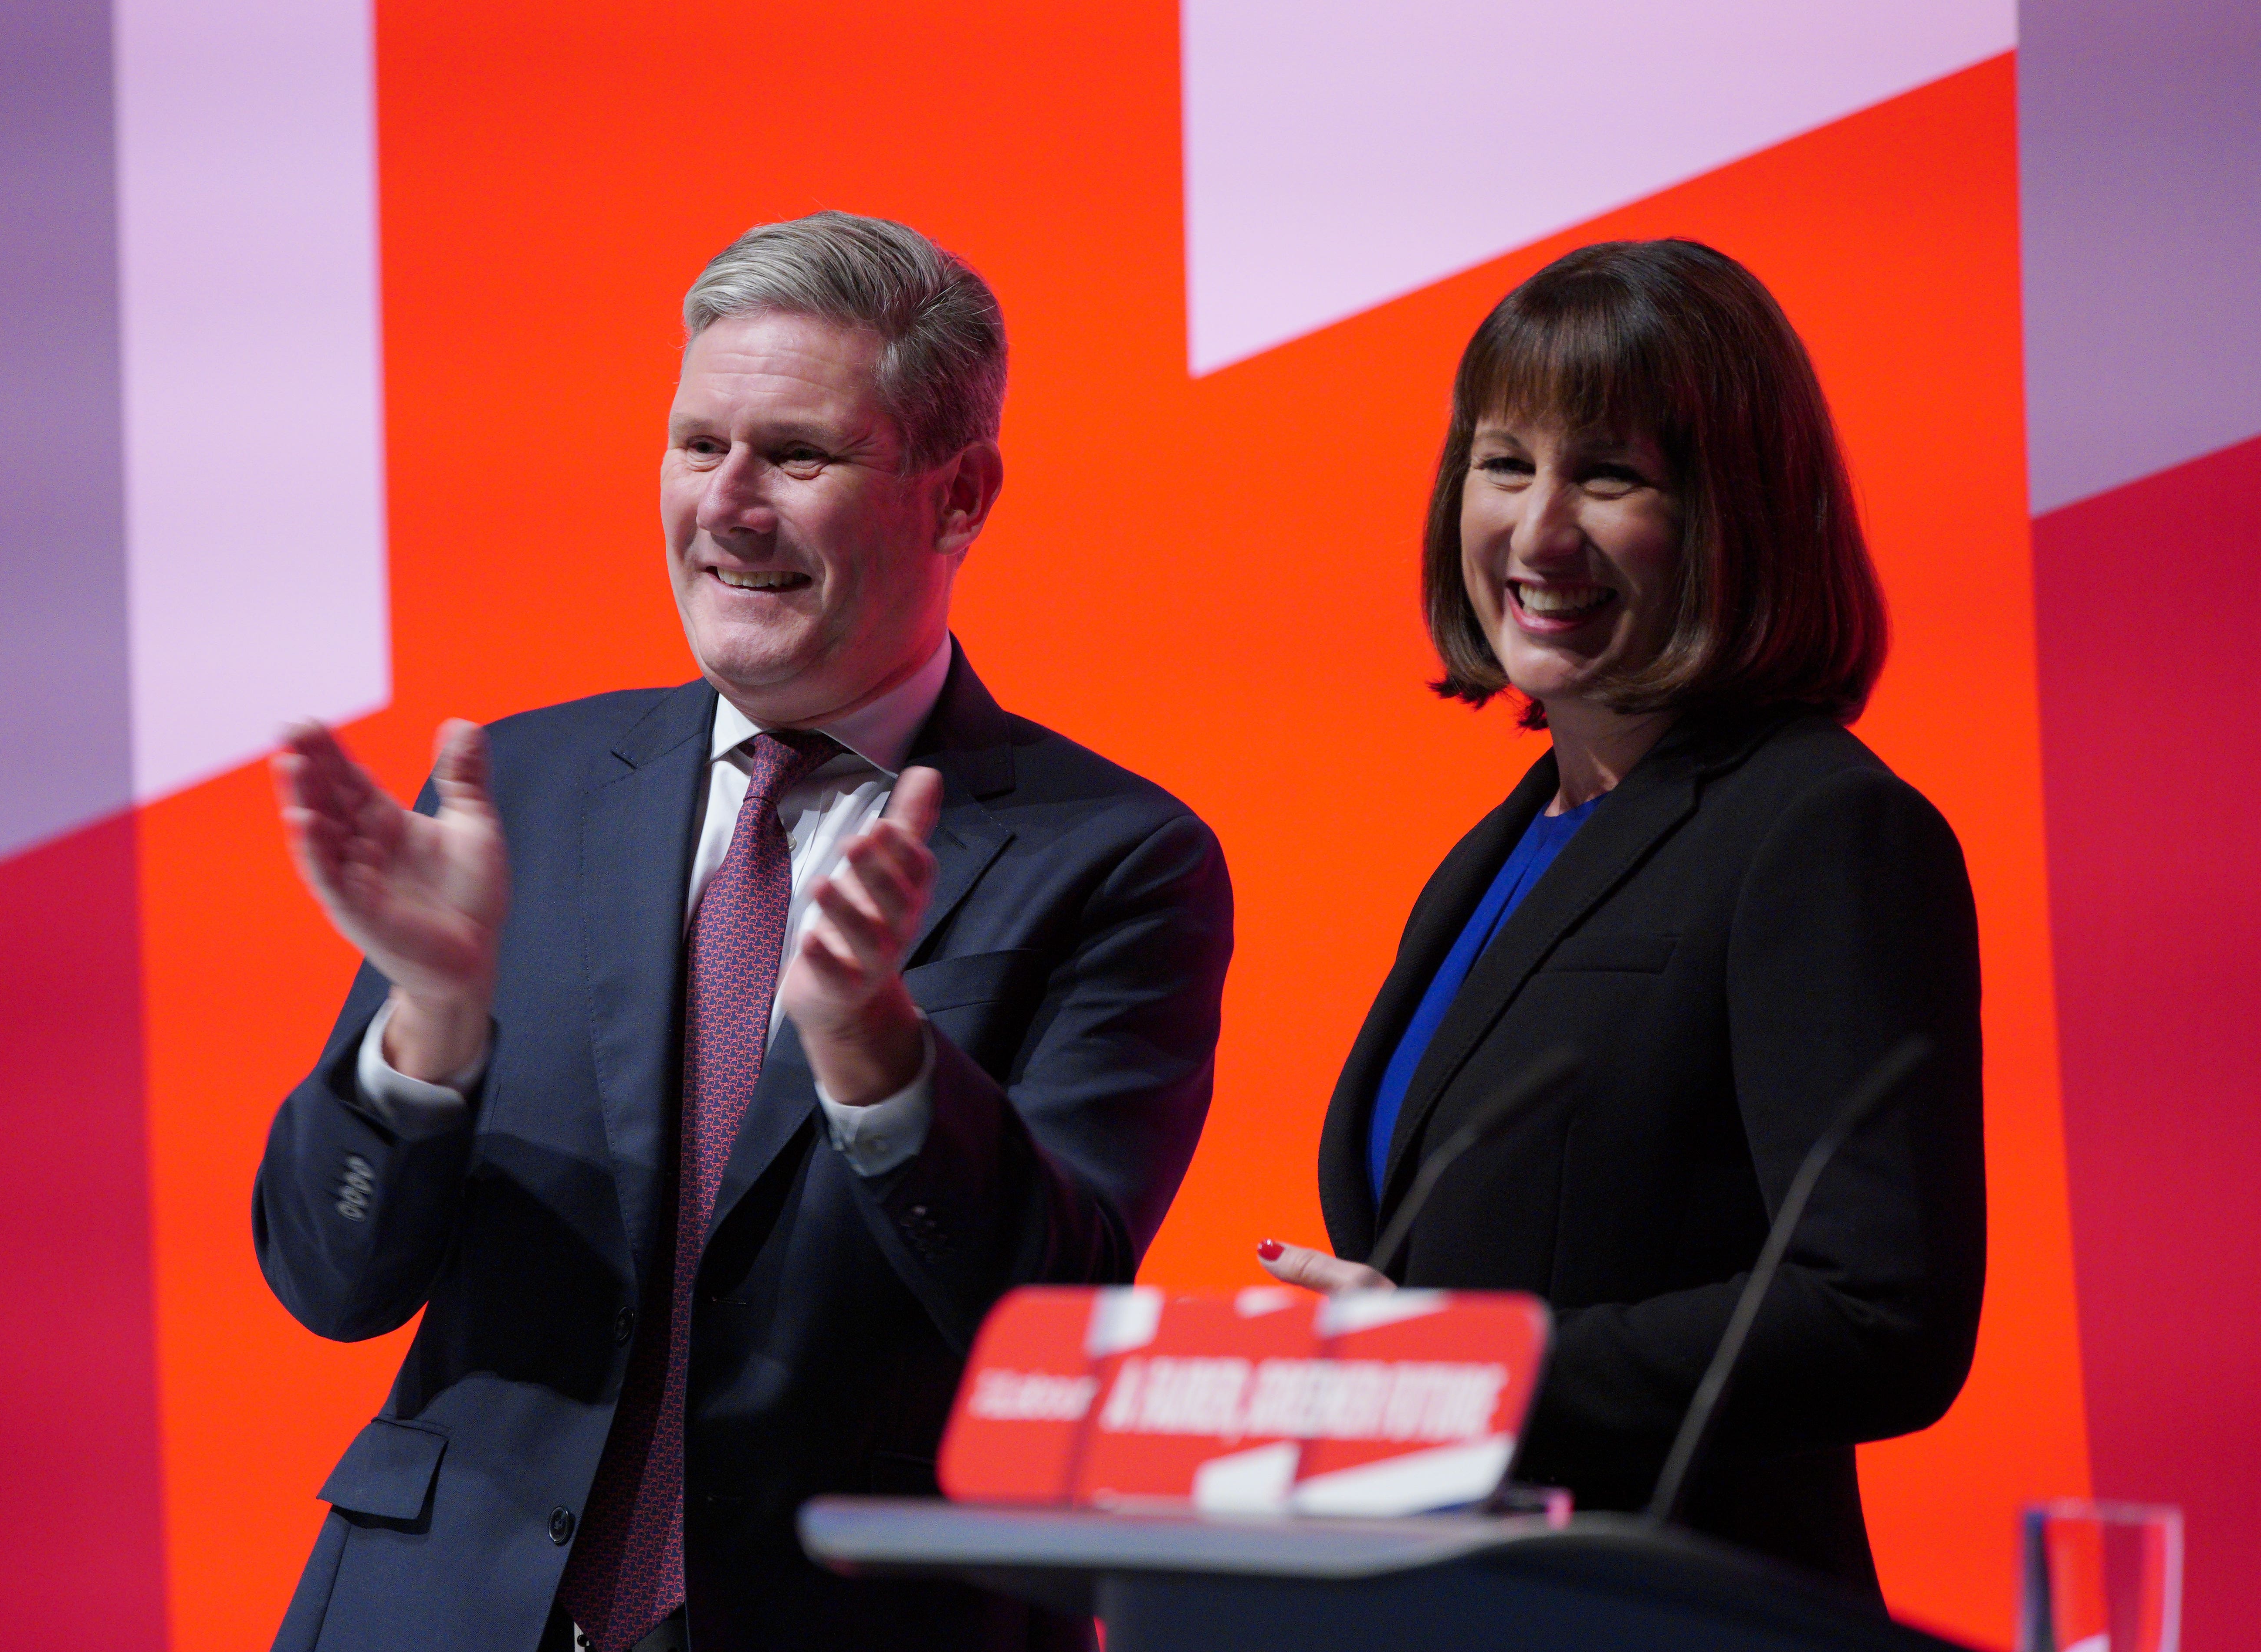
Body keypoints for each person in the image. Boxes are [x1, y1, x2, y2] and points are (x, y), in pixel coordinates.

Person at [255, 211, 1232, 1652]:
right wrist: (427, 1034)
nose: (728, 504)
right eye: (697, 445)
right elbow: (330, 1282)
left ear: (959, 497)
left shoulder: (1116, 859)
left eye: (797, 453)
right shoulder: (518, 792)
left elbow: (1059, 1322)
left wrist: (885, 1066)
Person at [1256, 240, 1985, 1596]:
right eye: (1505, 463)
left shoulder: (1822, 828)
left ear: (1736, 515)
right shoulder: (1497, 850)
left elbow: (1878, 1315)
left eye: (1609, 475)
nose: (1538, 534)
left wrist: (1470, 1367)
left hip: (1678, 1609)